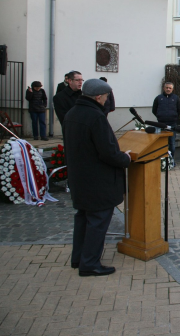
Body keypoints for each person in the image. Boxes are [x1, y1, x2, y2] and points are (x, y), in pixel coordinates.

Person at [63, 78, 130, 277]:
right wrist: (124, 158)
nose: (107, 100)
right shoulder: (96, 117)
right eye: (107, 97)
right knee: (97, 222)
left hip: (79, 178)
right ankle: (90, 263)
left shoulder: (72, 113)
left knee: (83, 218)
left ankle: (79, 258)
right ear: (99, 97)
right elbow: (107, 152)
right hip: (98, 181)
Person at [152, 82, 180, 158]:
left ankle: (171, 160)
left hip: (172, 125)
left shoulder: (176, 98)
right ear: (164, 88)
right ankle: (162, 159)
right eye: (167, 87)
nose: (168, 89)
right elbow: (154, 110)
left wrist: (174, 117)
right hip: (161, 124)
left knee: (172, 143)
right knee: (161, 143)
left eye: (170, 88)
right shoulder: (158, 98)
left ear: (172, 89)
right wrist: (160, 116)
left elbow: (179, 110)